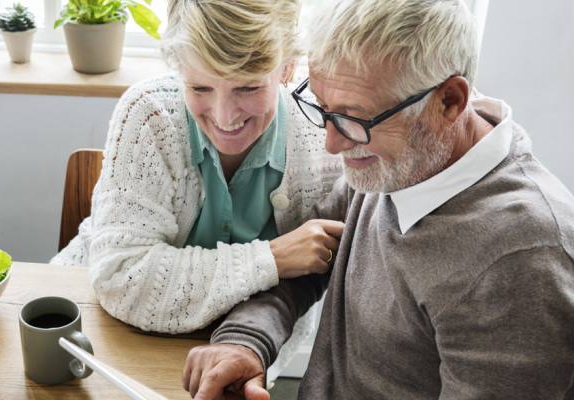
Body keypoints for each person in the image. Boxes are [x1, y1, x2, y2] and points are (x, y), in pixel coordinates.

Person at [182, 0, 574, 398]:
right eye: (323, 108)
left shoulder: (523, 261)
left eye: (354, 118)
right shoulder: (397, 160)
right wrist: (244, 342)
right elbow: (302, 270)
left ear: (450, 101)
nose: (332, 144)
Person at [51, 0, 344, 381]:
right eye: (200, 86)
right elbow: (121, 277)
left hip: (238, 350)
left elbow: (305, 287)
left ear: (287, 67)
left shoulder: (326, 142)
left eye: (247, 87)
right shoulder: (149, 113)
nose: (224, 118)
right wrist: (270, 258)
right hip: (96, 325)